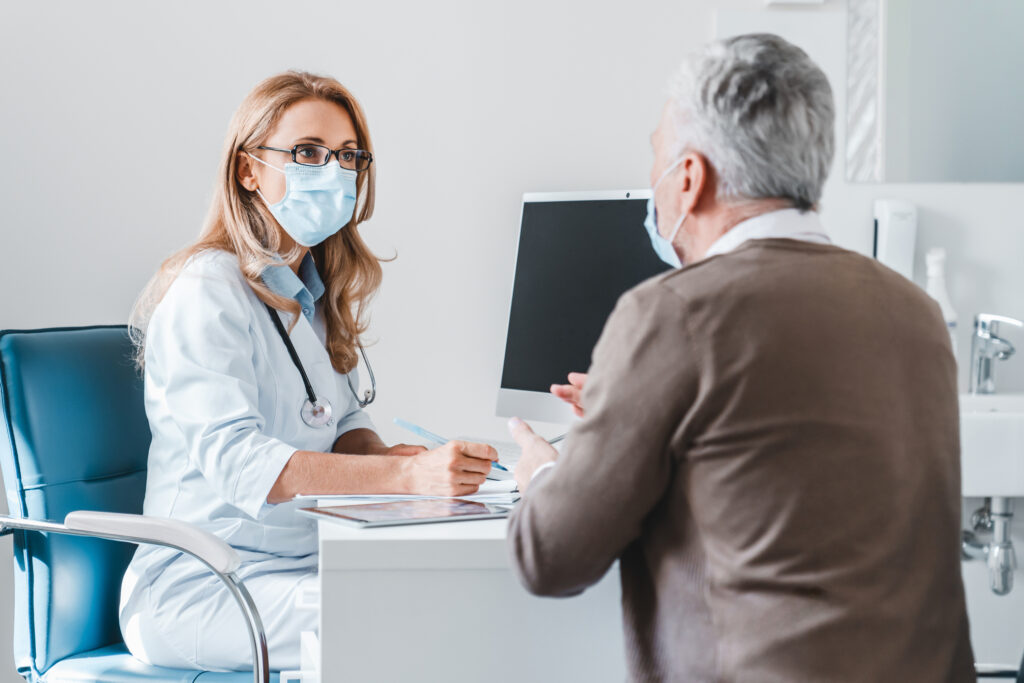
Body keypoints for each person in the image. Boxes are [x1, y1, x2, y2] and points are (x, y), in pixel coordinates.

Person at [507, 34, 974, 682]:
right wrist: (632, 411)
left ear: (689, 178)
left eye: (656, 157)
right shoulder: (916, 312)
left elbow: (551, 557)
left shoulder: (671, 313)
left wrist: (543, 471)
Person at [120, 71, 497, 672]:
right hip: (206, 583)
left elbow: (339, 420)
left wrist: (385, 457)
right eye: (308, 152)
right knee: (416, 617)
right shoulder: (206, 290)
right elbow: (242, 464)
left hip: (304, 562)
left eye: (347, 156)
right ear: (248, 170)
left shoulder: (308, 293)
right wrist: (407, 478)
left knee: (460, 590)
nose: (334, 171)